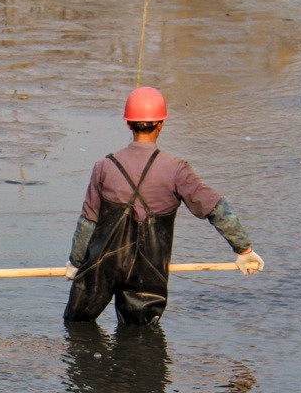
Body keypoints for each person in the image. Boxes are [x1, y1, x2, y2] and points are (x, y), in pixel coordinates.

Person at [63, 86, 265, 325]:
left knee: (77, 328)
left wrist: (76, 262)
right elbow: (216, 209)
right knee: (142, 338)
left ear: (129, 124)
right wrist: (244, 250)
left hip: (101, 268)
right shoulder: (177, 170)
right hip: (149, 272)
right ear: (161, 124)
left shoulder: (104, 167)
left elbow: (88, 222)